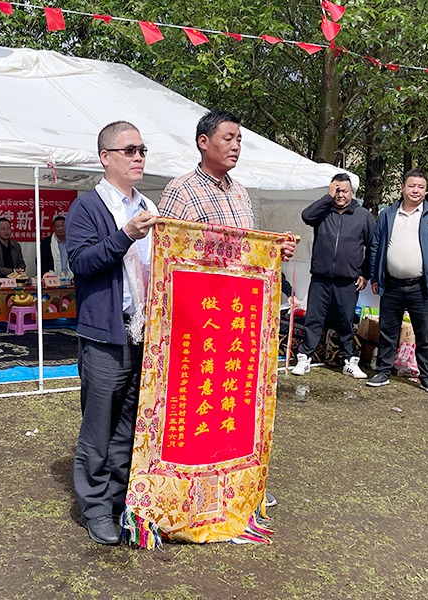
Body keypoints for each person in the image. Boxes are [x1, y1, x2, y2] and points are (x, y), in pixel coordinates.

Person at [159, 109, 295, 509]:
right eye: (228, 138)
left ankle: (238, 482)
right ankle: (193, 488)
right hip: (198, 318)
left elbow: (247, 254)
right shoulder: (181, 191)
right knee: (196, 404)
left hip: (236, 320)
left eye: (239, 140)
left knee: (233, 402)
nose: (235, 146)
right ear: (203, 142)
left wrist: (275, 252)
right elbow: (168, 253)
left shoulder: (240, 193)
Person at [66, 121, 158, 545]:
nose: (138, 157)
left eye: (142, 150)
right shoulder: (88, 207)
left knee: (129, 425)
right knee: (98, 426)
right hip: (105, 334)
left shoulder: (149, 206)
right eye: (129, 150)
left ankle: (120, 501)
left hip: (142, 333)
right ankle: (96, 508)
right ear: (105, 157)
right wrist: (124, 236)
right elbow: (81, 263)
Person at [367, 168, 428, 393]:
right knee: (387, 331)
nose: (416, 190)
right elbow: (375, 246)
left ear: (425, 190)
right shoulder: (388, 214)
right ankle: (383, 372)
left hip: (422, 285)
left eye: (421, 187)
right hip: (392, 283)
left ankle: (427, 377)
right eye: (411, 186)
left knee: (424, 333)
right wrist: (375, 276)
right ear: (402, 188)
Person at [291, 174, 375, 379]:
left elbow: (373, 247)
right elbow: (306, 216)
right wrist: (326, 198)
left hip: (348, 280)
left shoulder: (363, 215)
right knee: (313, 319)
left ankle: (350, 361)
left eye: (344, 191)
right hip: (320, 278)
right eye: (336, 191)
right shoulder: (323, 212)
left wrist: (365, 274)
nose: (340, 195)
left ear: (352, 192)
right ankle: (304, 357)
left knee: (345, 322)